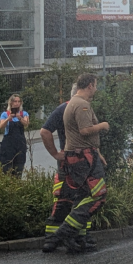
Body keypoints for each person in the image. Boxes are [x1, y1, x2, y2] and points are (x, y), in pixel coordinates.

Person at [48, 73, 110, 254]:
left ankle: (70, 236)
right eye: (96, 85)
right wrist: (103, 125)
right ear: (90, 85)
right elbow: (84, 131)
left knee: (82, 198)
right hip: (84, 159)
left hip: (81, 156)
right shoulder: (82, 105)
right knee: (98, 195)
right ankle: (63, 233)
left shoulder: (72, 103)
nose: (96, 89)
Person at [40, 85, 98, 253]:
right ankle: (53, 239)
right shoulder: (64, 108)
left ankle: (80, 236)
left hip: (85, 164)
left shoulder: (83, 109)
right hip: (70, 164)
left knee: (84, 199)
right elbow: (45, 132)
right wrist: (56, 154)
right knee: (64, 200)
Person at [0, 93, 30, 176]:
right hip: (8, 145)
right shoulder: (5, 114)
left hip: (20, 144)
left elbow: (26, 124)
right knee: (6, 167)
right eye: (15, 101)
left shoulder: (24, 114)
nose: (17, 103)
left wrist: (19, 117)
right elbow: (1, 126)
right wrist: (8, 118)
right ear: (11, 102)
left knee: (19, 167)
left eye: (19, 101)